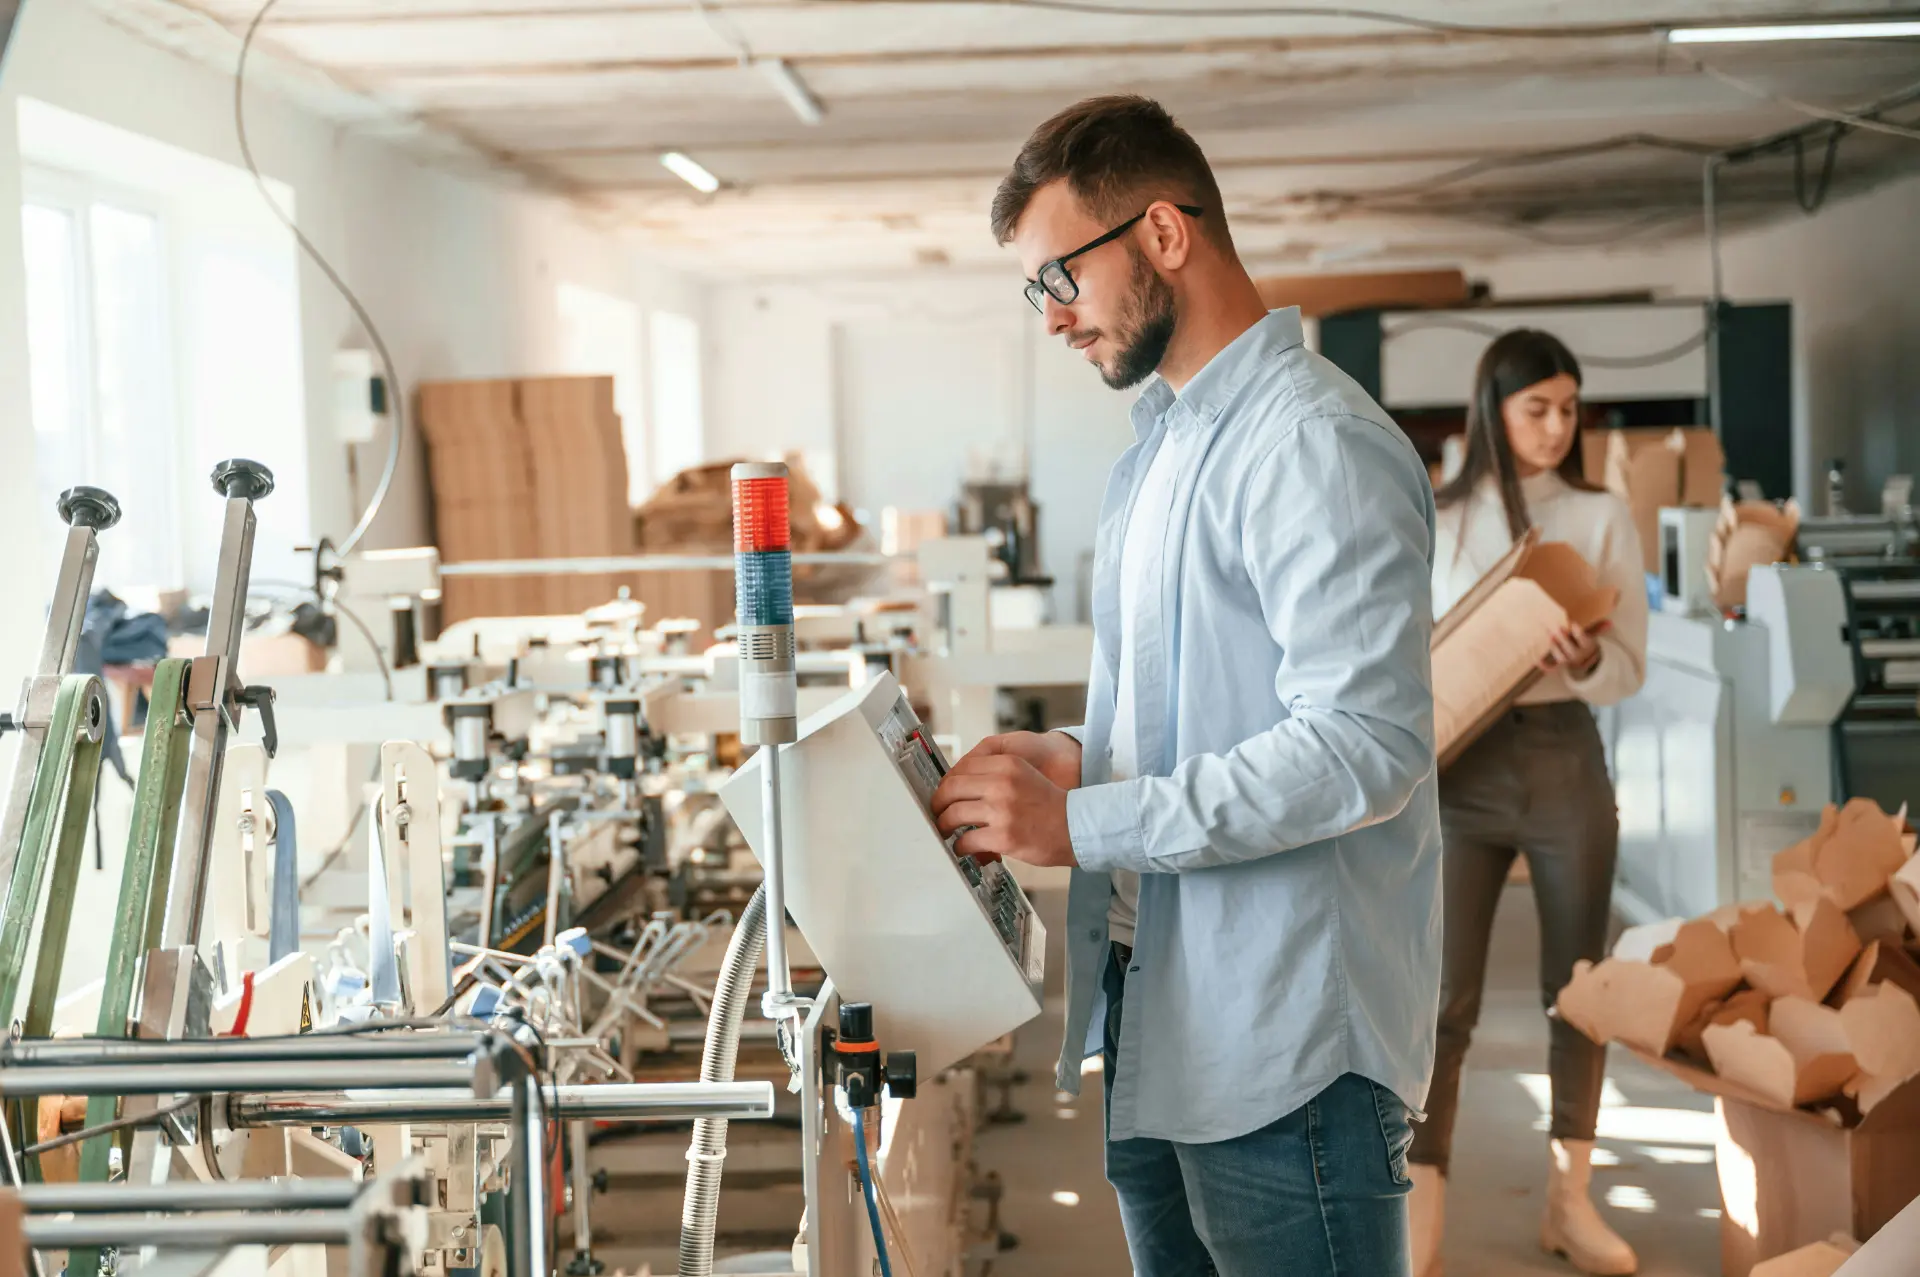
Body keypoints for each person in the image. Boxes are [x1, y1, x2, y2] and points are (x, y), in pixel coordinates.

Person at [927, 95, 1442, 1277]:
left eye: (1061, 275)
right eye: (1036, 289)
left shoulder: (1310, 443)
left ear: (1164, 233)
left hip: (1285, 1042)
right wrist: (1079, 754)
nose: (1053, 317)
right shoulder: (1163, 448)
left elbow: (1364, 742)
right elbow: (1201, 701)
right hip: (1160, 1008)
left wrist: (1083, 821)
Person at [1407, 329, 1649, 1277]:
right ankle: (1421, 1207)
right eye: (1537, 408)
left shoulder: (1602, 513)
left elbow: (1630, 666)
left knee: (1577, 988)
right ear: (1492, 411)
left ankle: (1569, 1202)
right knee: (1442, 996)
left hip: (1563, 760)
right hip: (1460, 769)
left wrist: (1586, 660)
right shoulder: (1442, 511)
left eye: (1569, 408)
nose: (1557, 426)